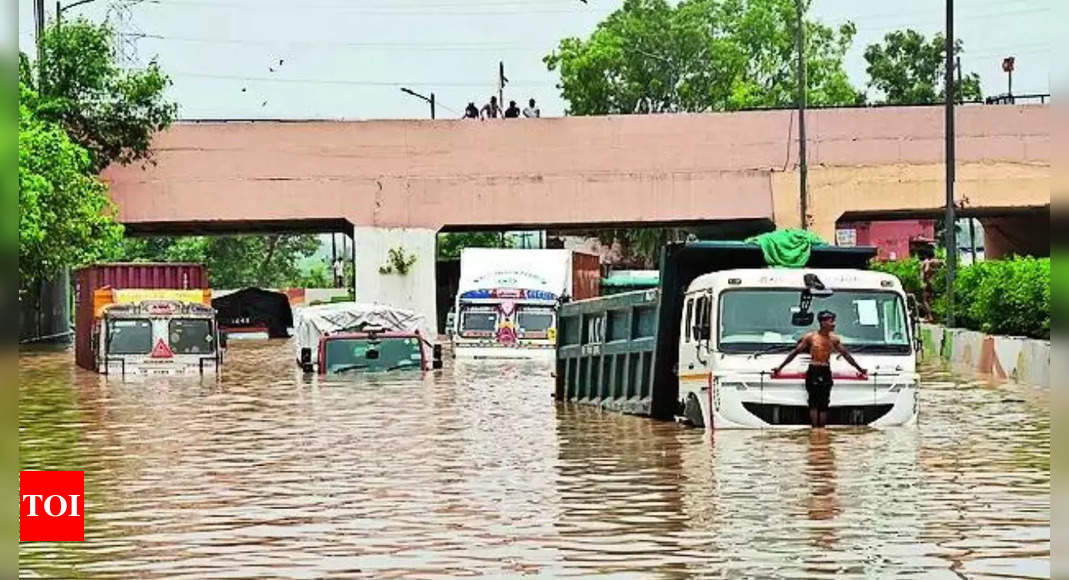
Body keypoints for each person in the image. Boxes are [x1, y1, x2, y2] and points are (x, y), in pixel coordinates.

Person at [771, 310, 867, 428]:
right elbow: (795, 352)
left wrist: (860, 369)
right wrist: (780, 367)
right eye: (831, 321)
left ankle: (821, 430)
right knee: (813, 402)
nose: (834, 324)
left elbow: (846, 355)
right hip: (814, 370)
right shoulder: (811, 337)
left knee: (824, 403)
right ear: (822, 323)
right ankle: (815, 430)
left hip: (826, 370)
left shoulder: (834, 339)